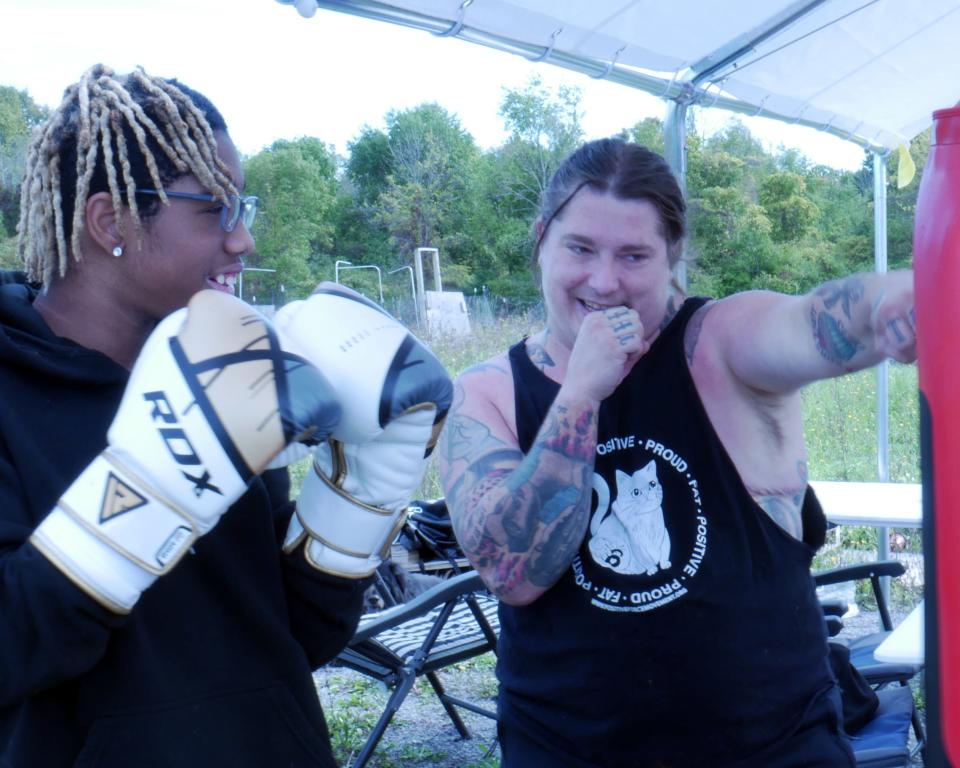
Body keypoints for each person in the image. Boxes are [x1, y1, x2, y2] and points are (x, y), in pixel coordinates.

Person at [0, 64, 451, 767]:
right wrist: (147, 491)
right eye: (216, 208)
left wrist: (359, 503)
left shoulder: (228, 367)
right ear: (109, 220)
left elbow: (292, 636)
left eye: (245, 207)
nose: (242, 240)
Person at [438, 137, 916, 768]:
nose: (603, 281)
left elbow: (816, 322)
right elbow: (512, 572)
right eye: (580, 248)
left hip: (772, 747)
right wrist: (582, 391)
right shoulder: (485, 393)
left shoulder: (719, 344)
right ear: (541, 240)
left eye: (633, 255)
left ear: (672, 257)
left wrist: (894, 302)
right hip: (566, 750)